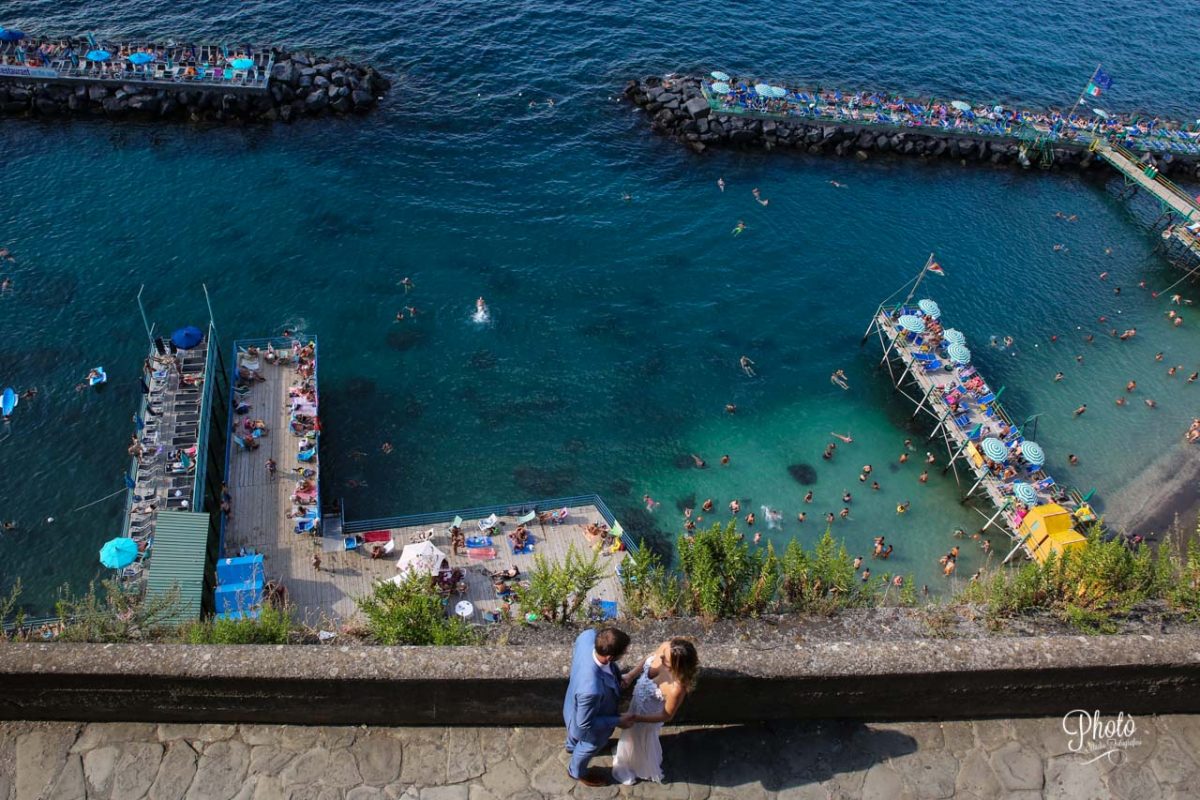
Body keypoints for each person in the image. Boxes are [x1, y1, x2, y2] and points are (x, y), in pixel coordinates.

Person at [612, 638, 699, 786]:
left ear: (678, 666)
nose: (662, 657)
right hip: (636, 704)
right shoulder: (667, 647)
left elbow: (667, 715)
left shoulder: (677, 687)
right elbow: (649, 657)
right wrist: (631, 675)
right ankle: (625, 752)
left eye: (667, 660)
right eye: (664, 654)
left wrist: (635, 717)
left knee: (640, 740)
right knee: (629, 735)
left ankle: (637, 765)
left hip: (647, 718)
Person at [564, 627, 633, 786]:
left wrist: (617, 678)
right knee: (588, 747)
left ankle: (570, 746)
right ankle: (576, 771)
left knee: (574, 736)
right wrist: (617, 720)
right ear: (610, 657)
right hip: (588, 727)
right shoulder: (591, 690)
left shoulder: (588, 637)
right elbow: (585, 724)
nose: (626, 653)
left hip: (571, 706)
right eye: (624, 652)